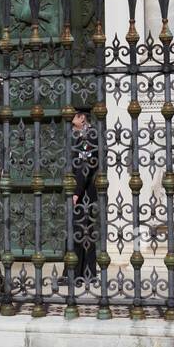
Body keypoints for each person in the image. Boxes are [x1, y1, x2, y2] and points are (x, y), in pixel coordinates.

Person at [71, 110, 98, 279]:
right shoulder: (80, 135)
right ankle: (80, 272)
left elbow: (85, 167)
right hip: (79, 191)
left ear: (82, 117)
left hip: (84, 193)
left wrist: (77, 193)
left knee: (80, 231)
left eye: (74, 115)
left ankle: (81, 273)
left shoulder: (89, 137)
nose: (71, 118)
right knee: (80, 230)